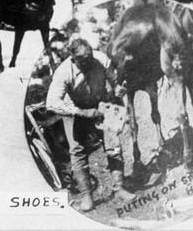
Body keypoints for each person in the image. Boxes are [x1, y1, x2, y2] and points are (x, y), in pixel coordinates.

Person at [46, 38, 135, 212]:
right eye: (83, 61)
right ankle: (86, 196)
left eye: (90, 58)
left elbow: (112, 79)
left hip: (100, 106)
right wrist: (83, 112)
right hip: (74, 110)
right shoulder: (64, 72)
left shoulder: (100, 59)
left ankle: (119, 187)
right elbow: (52, 103)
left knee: (113, 144)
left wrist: (117, 88)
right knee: (77, 151)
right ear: (74, 59)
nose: (88, 63)